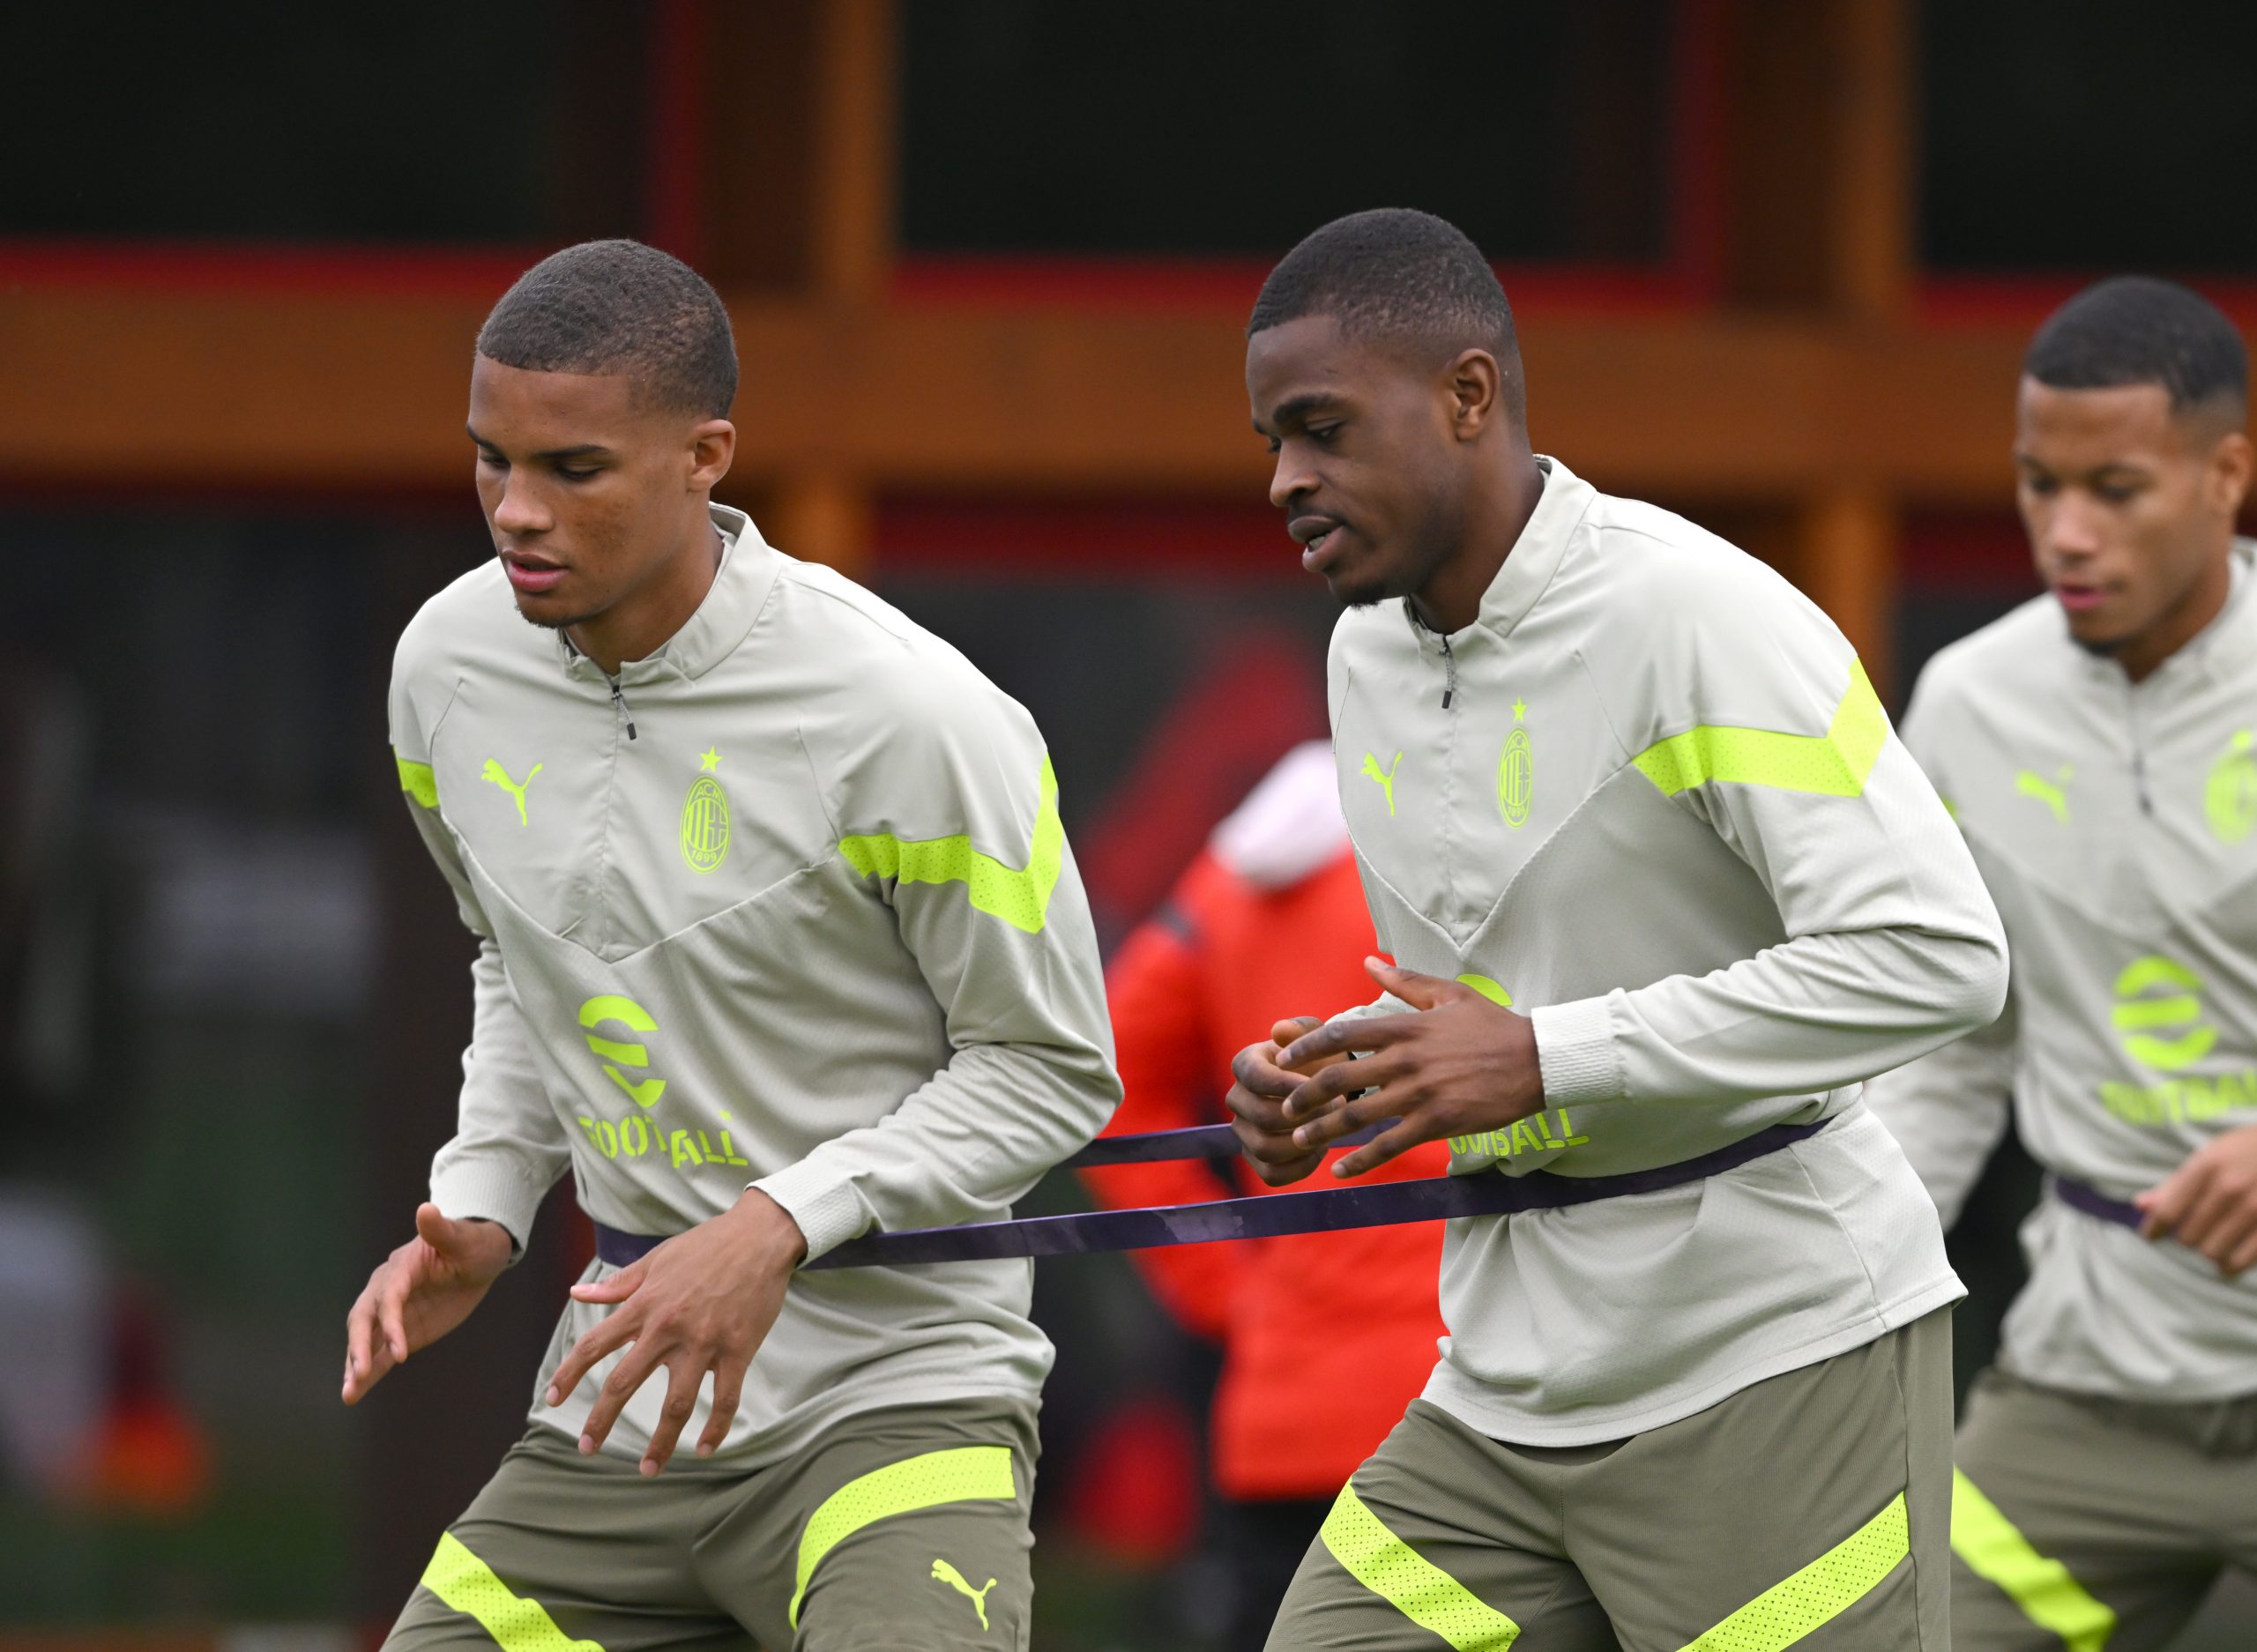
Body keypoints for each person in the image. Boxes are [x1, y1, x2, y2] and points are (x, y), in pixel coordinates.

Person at [1225, 208, 2008, 1650]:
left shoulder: (1699, 613)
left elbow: (1939, 954)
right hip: (1505, 1382)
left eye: (1322, 428)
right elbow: (1489, 1004)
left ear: (1468, 395)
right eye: (1274, 440)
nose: (1286, 478)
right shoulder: (1363, 651)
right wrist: (1341, 1077)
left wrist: (1542, 1055)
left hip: (1775, 1362)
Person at [343, 239, 1119, 1652]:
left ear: (705, 457)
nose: (516, 510)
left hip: (892, 1401)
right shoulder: (444, 666)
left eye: (573, 468)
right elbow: (522, 960)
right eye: (490, 459)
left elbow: (1048, 1068)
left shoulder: (914, 714)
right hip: (616, 1399)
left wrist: (776, 1222)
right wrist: (489, 1198)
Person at [1866, 277, 2257, 1651]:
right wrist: (1835, 1273)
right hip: (2085, 1398)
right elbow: (1952, 1041)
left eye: (2116, 489)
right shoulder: (1972, 699)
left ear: (2226, 476)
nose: (2068, 532)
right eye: (2041, 485)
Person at [1078, 740, 1449, 1650]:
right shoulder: (1458, 846)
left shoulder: (1228, 876)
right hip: (1465, 1395)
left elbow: (1108, 1085)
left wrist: (1227, 1284)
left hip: (1282, 1410)